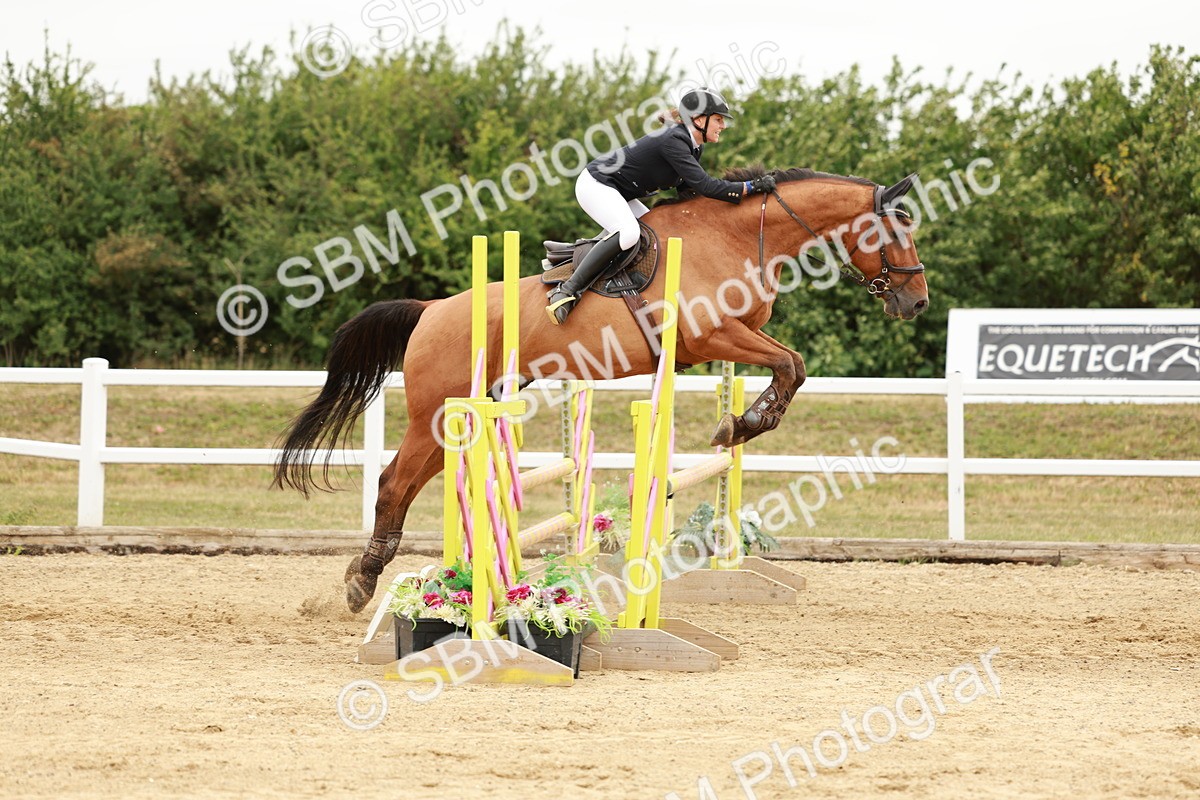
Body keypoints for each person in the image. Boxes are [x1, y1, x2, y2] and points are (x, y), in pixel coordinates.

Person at [546, 87, 777, 325]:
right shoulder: (674, 141)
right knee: (629, 233)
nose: (723, 126)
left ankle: (571, 254)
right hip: (596, 185)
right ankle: (566, 291)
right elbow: (706, 186)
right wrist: (751, 187)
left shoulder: (693, 145)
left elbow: (689, 191)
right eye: (718, 119)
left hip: (618, 191)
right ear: (699, 120)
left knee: (655, 235)